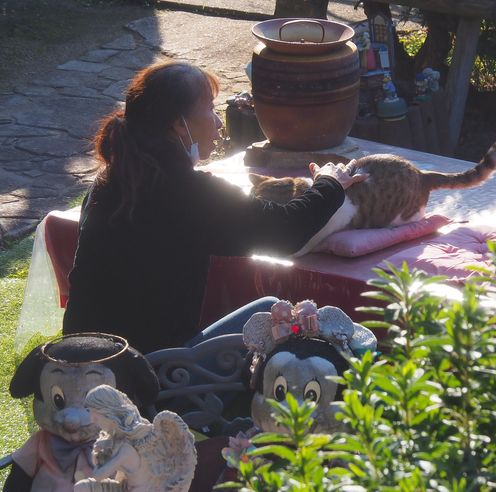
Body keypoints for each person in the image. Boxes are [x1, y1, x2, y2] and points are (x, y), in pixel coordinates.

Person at [62, 61, 364, 354]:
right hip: (150, 368)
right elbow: (286, 230)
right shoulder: (189, 192)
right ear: (180, 125)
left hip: (77, 359)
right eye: (210, 109)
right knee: (273, 314)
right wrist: (330, 183)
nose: (219, 122)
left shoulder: (111, 178)